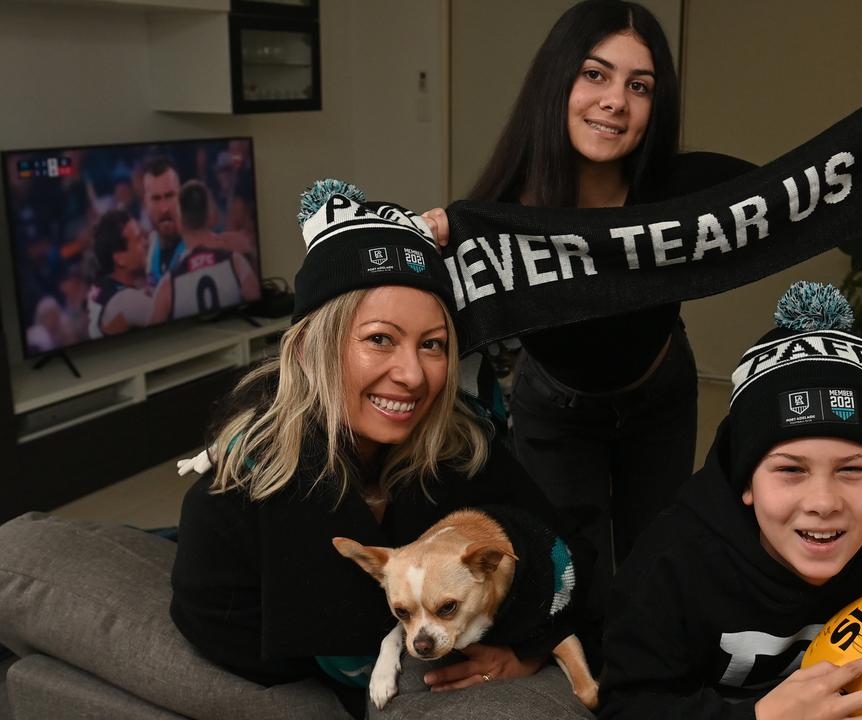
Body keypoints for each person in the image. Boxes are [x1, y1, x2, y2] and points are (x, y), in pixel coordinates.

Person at [421, 0, 862, 637]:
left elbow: (824, 182)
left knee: (663, 559)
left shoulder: (686, 185)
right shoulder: (495, 213)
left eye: (638, 85)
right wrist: (425, 244)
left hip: (660, 394)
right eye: (595, 75)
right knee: (577, 575)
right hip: (554, 411)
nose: (615, 101)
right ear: (556, 81)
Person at [169, 183, 591, 719]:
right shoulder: (240, 488)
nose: (413, 375)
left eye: (433, 344)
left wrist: (524, 651)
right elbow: (214, 625)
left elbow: (568, 560)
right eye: (380, 339)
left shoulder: (467, 449)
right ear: (310, 348)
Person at [598, 282, 862, 720]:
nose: (823, 502)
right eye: (790, 470)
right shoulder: (673, 564)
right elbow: (626, 706)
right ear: (745, 480)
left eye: (852, 470)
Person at [149, 179, 260, 322]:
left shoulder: (168, 284)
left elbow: (151, 332)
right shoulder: (237, 258)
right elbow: (257, 302)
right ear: (210, 215)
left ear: (180, 222)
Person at [87, 209, 153, 338]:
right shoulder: (126, 301)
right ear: (119, 258)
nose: (146, 243)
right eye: (138, 239)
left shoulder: (103, 288)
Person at [141, 155, 185, 290]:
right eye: (155, 198)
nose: (164, 208)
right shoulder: (146, 249)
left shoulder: (201, 245)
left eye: (170, 196)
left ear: (181, 195)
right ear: (145, 203)